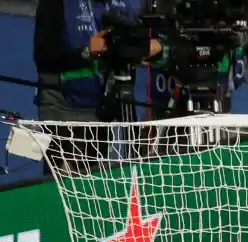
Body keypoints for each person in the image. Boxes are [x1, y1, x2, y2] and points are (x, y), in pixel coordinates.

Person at [34, 0, 161, 173]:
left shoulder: (122, 5)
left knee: (97, 188)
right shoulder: (56, 4)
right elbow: (43, 56)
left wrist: (147, 49)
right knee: (64, 189)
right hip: (65, 113)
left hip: (103, 112)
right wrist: (86, 52)